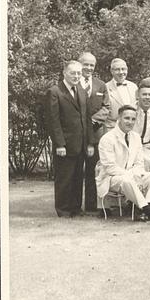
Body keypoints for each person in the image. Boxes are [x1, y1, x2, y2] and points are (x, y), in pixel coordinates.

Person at [95, 105, 150, 222]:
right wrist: (130, 175)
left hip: (133, 176)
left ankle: (147, 209)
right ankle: (148, 211)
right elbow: (110, 167)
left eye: (133, 119)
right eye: (126, 118)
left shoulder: (135, 137)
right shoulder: (107, 139)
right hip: (111, 179)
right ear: (119, 119)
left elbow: (139, 163)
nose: (130, 122)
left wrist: (136, 174)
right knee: (127, 180)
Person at [45, 60, 94, 217]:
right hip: (64, 145)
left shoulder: (81, 90)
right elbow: (53, 121)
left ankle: (76, 208)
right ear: (64, 73)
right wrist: (59, 144)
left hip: (80, 144)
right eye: (73, 73)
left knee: (78, 178)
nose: (76, 76)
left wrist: (89, 143)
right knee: (64, 179)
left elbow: (87, 119)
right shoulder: (54, 92)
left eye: (79, 73)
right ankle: (63, 210)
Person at [78, 52, 110, 213]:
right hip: (76, 136)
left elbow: (106, 107)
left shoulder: (100, 85)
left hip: (96, 134)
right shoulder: (73, 83)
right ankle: (73, 206)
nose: (89, 68)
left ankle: (91, 206)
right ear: (79, 64)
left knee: (93, 171)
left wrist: (91, 121)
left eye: (92, 65)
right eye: (86, 64)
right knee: (75, 172)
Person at [104, 58, 138, 129]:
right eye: (117, 69)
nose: (121, 72)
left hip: (132, 128)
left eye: (123, 69)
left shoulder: (133, 86)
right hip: (112, 129)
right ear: (111, 71)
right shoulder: (105, 88)